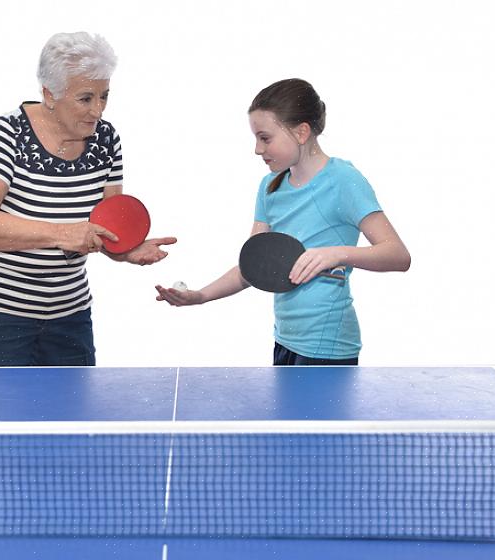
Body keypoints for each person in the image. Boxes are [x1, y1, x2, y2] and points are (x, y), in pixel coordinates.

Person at [0, 32, 176, 367]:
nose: (97, 110)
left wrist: (124, 249)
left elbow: (100, 228)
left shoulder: (106, 139)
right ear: (50, 94)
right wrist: (61, 233)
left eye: (104, 96)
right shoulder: (9, 132)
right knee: (3, 416)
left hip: (67, 307)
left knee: (74, 415)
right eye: (85, 98)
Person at [155, 78, 410, 366]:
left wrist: (334, 253)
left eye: (265, 138)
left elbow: (398, 255)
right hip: (285, 340)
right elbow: (253, 266)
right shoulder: (270, 188)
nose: (257, 149)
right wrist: (200, 296)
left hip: (328, 348)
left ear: (301, 132)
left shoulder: (343, 181)